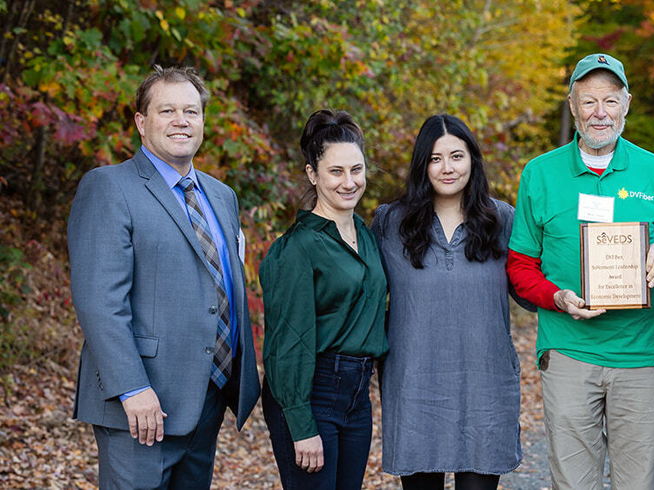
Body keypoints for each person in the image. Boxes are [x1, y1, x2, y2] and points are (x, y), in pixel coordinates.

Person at [67, 65, 260, 489]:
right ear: (141, 121)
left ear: (203, 122)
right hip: (141, 404)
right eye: (167, 110)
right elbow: (100, 301)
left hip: (205, 399)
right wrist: (132, 388)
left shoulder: (221, 196)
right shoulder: (109, 187)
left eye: (191, 111)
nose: (181, 121)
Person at [506, 53, 654, 489]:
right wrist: (557, 298)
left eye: (610, 100)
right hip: (568, 352)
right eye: (589, 102)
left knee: (638, 483)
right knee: (572, 483)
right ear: (572, 105)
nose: (600, 113)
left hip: (641, 355)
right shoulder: (540, 173)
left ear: (627, 103)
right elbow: (519, 265)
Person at [373, 114, 534, 490]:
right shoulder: (390, 223)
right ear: (421, 165)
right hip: (414, 388)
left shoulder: (503, 220)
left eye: (457, 156)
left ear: (473, 161)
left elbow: (531, 289)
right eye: (435, 158)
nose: (447, 168)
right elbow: (359, 294)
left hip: (484, 387)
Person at [259, 109, 388, 490]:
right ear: (313, 174)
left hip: (356, 396)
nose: (349, 182)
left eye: (357, 169)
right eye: (336, 172)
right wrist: (301, 425)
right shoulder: (297, 248)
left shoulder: (366, 236)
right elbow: (287, 343)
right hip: (310, 391)